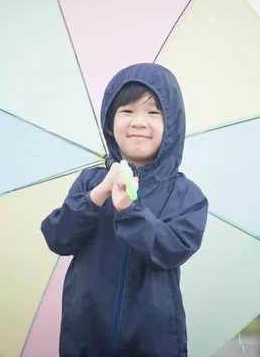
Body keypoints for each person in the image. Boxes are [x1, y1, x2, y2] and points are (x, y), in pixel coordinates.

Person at [41, 62, 209, 357]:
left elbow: (171, 249)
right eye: (127, 111)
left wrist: (130, 211)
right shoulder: (90, 182)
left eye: (154, 112)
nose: (139, 122)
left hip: (153, 342)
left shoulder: (187, 196)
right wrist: (96, 195)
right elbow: (58, 237)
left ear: (172, 126)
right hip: (84, 336)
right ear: (109, 124)